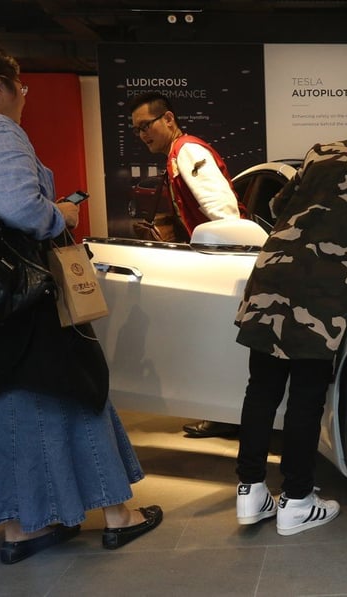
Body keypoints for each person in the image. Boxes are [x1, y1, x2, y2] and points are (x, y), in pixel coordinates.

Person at [0, 37, 161, 564]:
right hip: (22, 292)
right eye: (21, 86)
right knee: (77, 386)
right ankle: (117, 516)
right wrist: (63, 212)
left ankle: (20, 529)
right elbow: (25, 213)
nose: (23, 96)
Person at [233, 92, 347, 535]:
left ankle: (250, 492)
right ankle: (296, 500)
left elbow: (277, 207)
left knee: (262, 388)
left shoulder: (320, 152)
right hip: (323, 290)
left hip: (272, 275)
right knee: (306, 394)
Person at [129, 91, 245, 439]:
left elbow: (224, 212)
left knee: (219, 343)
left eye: (146, 126)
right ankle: (225, 413)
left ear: (168, 119)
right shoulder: (177, 155)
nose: (142, 135)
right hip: (219, 261)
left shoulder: (188, 151)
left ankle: (227, 415)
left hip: (224, 263)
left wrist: (224, 257)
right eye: (136, 130)